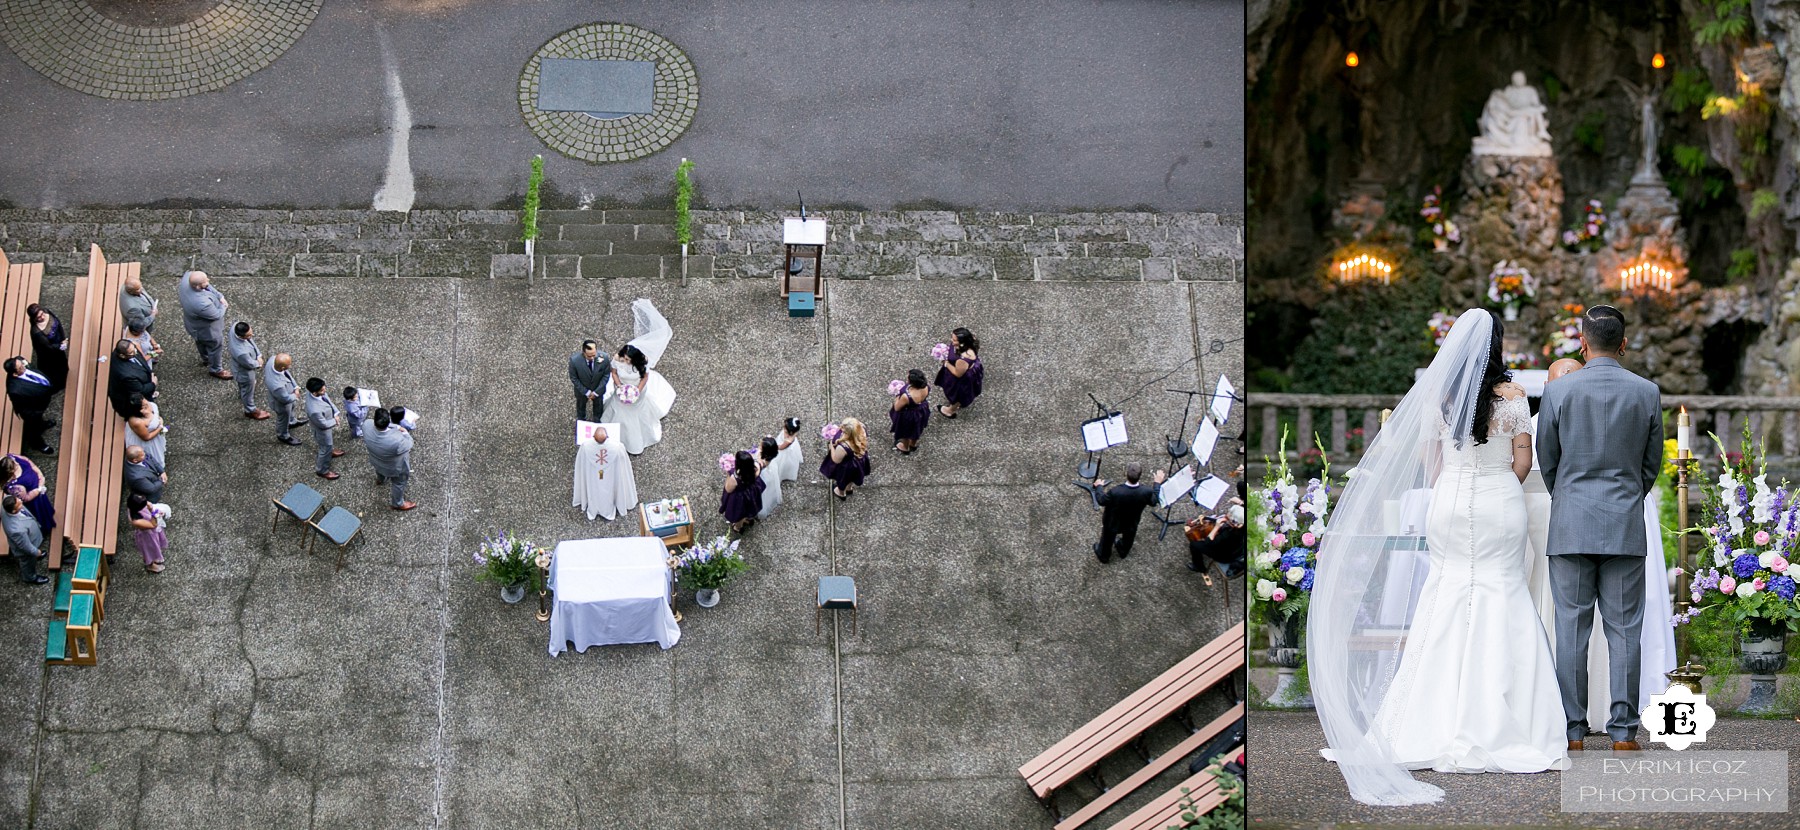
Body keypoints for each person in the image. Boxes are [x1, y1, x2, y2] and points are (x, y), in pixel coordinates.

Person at [1311, 309, 1566, 808]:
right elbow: (1523, 460)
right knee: (1504, 593)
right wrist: (1498, 489)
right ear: (1497, 346)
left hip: (1449, 504)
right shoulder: (1513, 398)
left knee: (1446, 595)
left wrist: (1456, 486)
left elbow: (1432, 464)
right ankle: (1504, 718)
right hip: (1499, 502)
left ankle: (1426, 719)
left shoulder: (1439, 397)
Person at [1538, 304, 1664, 752]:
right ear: (1624, 344)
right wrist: (1627, 495)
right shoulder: (1647, 392)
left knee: (1571, 629)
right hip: (1624, 523)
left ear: (1583, 343)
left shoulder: (1558, 392)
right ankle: (1624, 733)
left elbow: (1547, 459)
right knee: (1626, 630)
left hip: (1571, 520)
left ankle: (1573, 732)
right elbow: (1652, 465)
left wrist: (1569, 497)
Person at [601, 299, 679, 454]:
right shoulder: (617, 360)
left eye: (628, 360)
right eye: (625, 359)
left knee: (637, 409)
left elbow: (644, 378)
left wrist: (637, 390)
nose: (625, 362)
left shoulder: (642, 365)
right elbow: (614, 372)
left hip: (638, 390)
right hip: (621, 388)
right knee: (618, 407)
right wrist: (619, 386)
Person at [1093, 462, 1166, 563]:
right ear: (1140, 476)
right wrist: (1157, 483)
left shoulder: (1115, 491)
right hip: (1131, 520)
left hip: (1113, 521)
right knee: (1129, 536)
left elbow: (1101, 500)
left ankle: (1104, 555)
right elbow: (1154, 501)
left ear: (1125, 473)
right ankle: (1123, 550)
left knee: (1107, 538)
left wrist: (1099, 487)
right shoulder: (1146, 491)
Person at [572, 423, 637, 521]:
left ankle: (594, 506)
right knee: (609, 487)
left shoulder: (585, 447)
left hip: (593, 476)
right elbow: (624, 468)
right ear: (607, 436)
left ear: (593, 437)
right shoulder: (618, 447)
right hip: (611, 476)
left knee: (595, 488)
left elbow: (581, 466)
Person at [176, 270, 232, 379]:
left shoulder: (187, 278)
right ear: (197, 286)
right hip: (208, 331)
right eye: (205, 280)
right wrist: (224, 305)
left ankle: (206, 358)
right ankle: (216, 369)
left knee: (200, 342)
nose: (208, 281)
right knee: (215, 347)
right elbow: (217, 314)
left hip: (193, 325)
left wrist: (219, 296)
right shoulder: (201, 304)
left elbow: (208, 286)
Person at [1189, 480, 1247, 578]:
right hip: (1239, 549)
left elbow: (1208, 542)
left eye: (1230, 518)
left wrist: (1216, 527)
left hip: (1225, 556)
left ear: (1237, 525)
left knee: (1194, 545)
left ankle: (1199, 566)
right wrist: (1241, 503)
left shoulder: (1227, 535)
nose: (1227, 516)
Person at [364, 408, 418, 511]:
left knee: (379, 470)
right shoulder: (397, 441)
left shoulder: (366, 424)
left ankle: (381, 480)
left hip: (375, 460)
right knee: (399, 483)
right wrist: (405, 431)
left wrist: (395, 426)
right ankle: (397, 503)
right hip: (395, 467)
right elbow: (409, 443)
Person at [4, 356, 57, 455]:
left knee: (39, 422)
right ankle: (38, 444)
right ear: (15, 374)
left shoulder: (20, 361)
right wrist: (36, 413)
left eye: (22, 364)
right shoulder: (15, 390)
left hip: (41, 402)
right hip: (33, 412)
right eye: (21, 368)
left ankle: (42, 425)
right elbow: (22, 408)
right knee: (33, 429)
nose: (24, 366)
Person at [935, 327, 984, 418]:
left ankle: (950, 410)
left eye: (954, 340)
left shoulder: (963, 358)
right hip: (964, 368)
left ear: (962, 342)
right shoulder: (970, 341)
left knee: (959, 394)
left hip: (962, 377)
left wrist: (945, 363)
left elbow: (958, 373)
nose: (951, 340)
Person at [0, 453, 55, 534]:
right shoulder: (15, 486)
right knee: (40, 513)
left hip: (38, 487)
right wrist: (40, 489)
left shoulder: (11, 459)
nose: (17, 463)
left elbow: (27, 461)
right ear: (10, 473)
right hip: (34, 500)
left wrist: (39, 473)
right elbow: (26, 497)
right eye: (15, 466)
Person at [820, 418, 871, 501]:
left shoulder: (844, 446)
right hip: (859, 461)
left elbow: (836, 460)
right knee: (852, 478)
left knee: (843, 479)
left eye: (844, 430)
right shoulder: (862, 430)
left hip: (848, 467)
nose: (841, 428)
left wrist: (831, 446)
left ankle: (841, 492)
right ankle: (849, 488)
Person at [228, 322, 271, 420]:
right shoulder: (241, 352)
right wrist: (259, 363)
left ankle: (242, 392)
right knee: (247, 391)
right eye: (249, 335)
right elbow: (249, 364)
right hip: (244, 373)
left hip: (237, 366)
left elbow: (250, 341)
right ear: (241, 336)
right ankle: (250, 410)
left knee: (243, 387)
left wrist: (258, 354)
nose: (252, 335)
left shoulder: (235, 327)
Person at [1, 494, 48, 584]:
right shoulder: (16, 530)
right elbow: (25, 547)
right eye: (19, 503)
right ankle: (30, 577)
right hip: (26, 551)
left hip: (29, 535)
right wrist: (36, 552)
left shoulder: (7, 500)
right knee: (27, 563)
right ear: (14, 510)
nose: (21, 501)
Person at [304, 377, 344, 480]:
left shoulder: (315, 393)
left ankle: (330, 452)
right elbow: (323, 424)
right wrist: (335, 421)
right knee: (325, 449)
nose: (324, 390)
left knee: (327, 447)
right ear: (314, 393)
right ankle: (322, 470)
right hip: (322, 432)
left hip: (327, 424)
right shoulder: (314, 410)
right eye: (322, 390)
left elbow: (328, 401)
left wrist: (335, 412)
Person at [719, 450, 766, 534]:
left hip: (741, 498)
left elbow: (728, 489)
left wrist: (728, 474)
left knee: (740, 514)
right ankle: (750, 518)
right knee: (751, 507)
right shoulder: (756, 467)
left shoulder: (736, 478)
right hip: (752, 493)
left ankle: (738, 527)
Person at [107, 339, 157, 418]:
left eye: (134, 349)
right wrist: (153, 384)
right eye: (131, 353)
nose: (135, 352)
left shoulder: (124, 352)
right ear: (122, 355)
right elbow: (140, 390)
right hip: (129, 400)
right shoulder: (127, 375)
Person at [25, 303, 67, 392]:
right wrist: (60, 346)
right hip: (50, 354)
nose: (42, 317)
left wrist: (63, 339)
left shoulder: (47, 312)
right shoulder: (37, 332)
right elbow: (47, 347)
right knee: (54, 369)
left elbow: (58, 323)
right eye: (39, 317)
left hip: (58, 343)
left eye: (42, 314)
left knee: (63, 363)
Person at [889, 369, 931, 454]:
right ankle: (913, 444)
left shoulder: (906, 396)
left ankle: (905, 447)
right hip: (922, 410)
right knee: (917, 428)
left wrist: (897, 395)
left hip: (910, 415)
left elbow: (897, 407)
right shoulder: (925, 386)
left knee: (906, 431)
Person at [569, 339, 611, 422]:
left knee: (598, 406)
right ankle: (581, 420)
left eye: (594, 355)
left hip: (598, 390)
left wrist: (596, 392)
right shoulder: (574, 361)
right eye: (589, 356)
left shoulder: (604, 358)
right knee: (581, 406)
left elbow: (606, 375)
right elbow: (574, 378)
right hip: (582, 391)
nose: (592, 358)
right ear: (583, 352)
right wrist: (586, 392)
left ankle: (597, 420)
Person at [265, 353, 303, 446]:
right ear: (282, 367)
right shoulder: (277, 385)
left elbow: (287, 375)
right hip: (282, 404)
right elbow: (285, 399)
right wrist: (295, 395)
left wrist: (295, 386)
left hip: (288, 394)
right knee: (283, 419)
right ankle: (283, 435)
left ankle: (292, 421)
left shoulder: (273, 360)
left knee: (291, 408)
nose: (290, 366)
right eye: (288, 365)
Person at [125, 492, 168, 574]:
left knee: (154, 547)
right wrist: (153, 512)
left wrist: (157, 511)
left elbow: (148, 504)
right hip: (147, 537)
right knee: (149, 551)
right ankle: (150, 565)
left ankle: (155, 559)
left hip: (151, 533)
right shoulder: (136, 521)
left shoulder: (135, 505)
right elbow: (153, 525)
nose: (147, 503)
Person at [123, 392, 168, 468]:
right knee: (150, 458)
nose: (147, 404)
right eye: (144, 406)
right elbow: (146, 437)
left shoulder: (148, 404)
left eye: (145, 400)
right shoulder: (136, 421)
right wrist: (160, 427)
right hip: (147, 442)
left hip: (156, 436)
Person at [756, 436, 783, 519]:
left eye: (760, 446)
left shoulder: (762, 462)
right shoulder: (770, 455)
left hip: (763, 475)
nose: (759, 446)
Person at [772, 417, 803, 483]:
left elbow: (781, 447)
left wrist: (773, 446)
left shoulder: (788, 440)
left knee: (781, 463)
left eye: (785, 429)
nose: (783, 429)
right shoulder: (793, 432)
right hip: (783, 443)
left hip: (784, 451)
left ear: (791, 432)